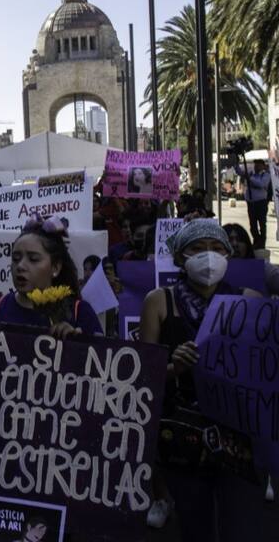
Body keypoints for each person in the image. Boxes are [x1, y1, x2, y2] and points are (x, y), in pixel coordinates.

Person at [139, 218, 266, 542]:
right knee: (195, 524)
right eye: (197, 249)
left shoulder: (249, 299)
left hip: (237, 434)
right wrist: (172, 368)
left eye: (216, 248)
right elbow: (142, 375)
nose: (208, 256)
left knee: (239, 524)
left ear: (228, 254)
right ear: (180, 257)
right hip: (182, 434)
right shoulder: (158, 301)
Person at [0, 215, 102, 337]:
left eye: (33, 259)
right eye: (16, 258)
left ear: (56, 267)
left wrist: (78, 343)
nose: (20, 266)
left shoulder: (80, 313)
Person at [236, 159, 271, 249]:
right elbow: (240, 172)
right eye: (255, 165)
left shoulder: (265, 175)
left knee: (262, 224)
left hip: (261, 203)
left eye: (258, 165)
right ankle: (257, 241)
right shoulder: (251, 174)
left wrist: (249, 178)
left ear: (263, 166)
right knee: (252, 225)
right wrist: (235, 163)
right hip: (251, 203)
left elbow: (261, 184)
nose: (256, 167)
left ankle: (261, 243)